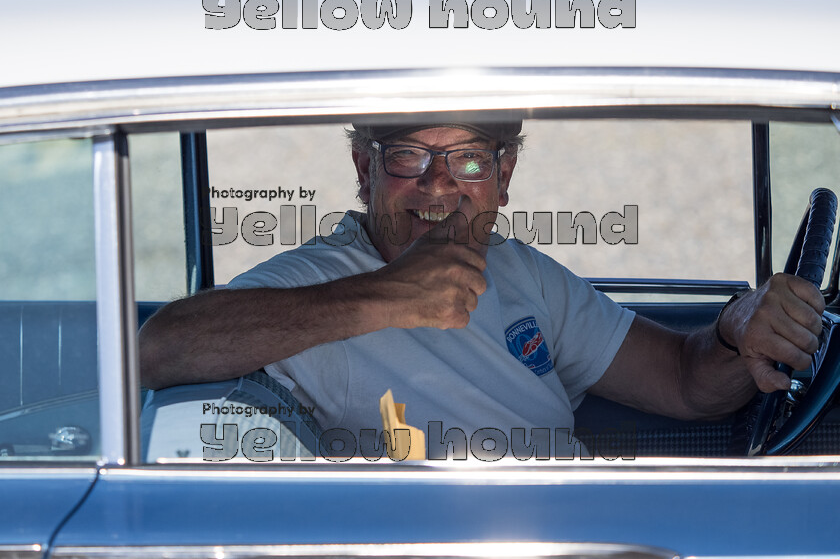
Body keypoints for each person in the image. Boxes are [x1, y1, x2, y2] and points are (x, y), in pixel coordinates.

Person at [139, 120, 825, 458]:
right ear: (362, 168)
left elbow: (681, 381)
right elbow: (161, 348)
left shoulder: (519, 271)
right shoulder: (318, 281)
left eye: (468, 157)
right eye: (409, 155)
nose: (438, 184)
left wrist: (739, 330)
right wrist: (389, 297)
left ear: (505, 175)